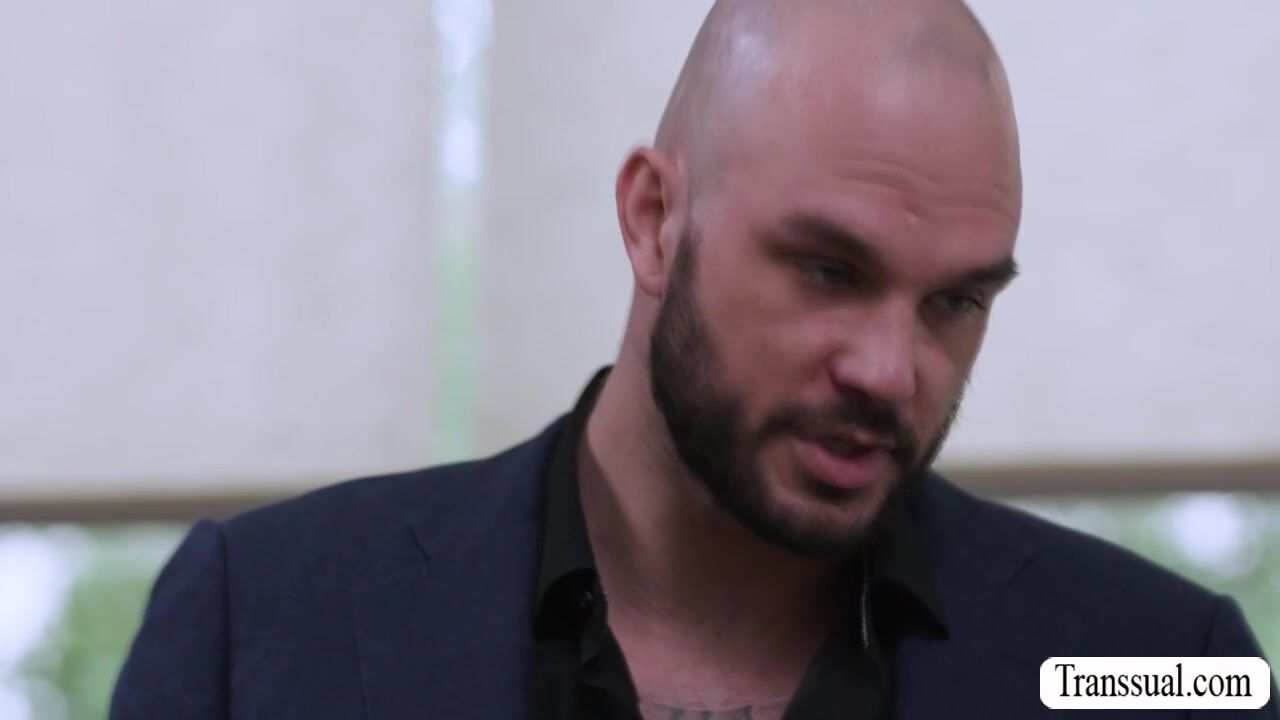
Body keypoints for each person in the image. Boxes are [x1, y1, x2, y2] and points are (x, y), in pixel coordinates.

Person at [111, 0, 1277, 718]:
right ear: (653, 221)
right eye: (825, 269)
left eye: (954, 302)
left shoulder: (1162, 669)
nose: (888, 369)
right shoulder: (257, 623)